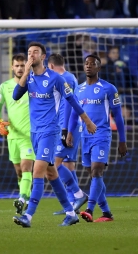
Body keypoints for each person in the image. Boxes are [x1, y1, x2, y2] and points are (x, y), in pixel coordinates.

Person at [12, 42, 97, 227]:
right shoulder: (30, 78)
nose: (31, 55)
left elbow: (72, 100)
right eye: (29, 52)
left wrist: (88, 121)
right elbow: (15, 96)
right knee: (52, 174)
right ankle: (70, 212)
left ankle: (28, 216)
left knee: (38, 171)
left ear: (43, 57)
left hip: (49, 132)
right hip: (34, 133)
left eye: (35, 52)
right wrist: (25, 72)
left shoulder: (55, 78)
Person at [67, 54, 127, 223]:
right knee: (94, 177)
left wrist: (122, 140)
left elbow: (118, 117)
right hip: (84, 136)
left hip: (101, 135)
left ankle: (89, 209)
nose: (88, 66)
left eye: (92, 64)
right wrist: (70, 132)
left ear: (99, 68)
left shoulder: (109, 89)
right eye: (86, 63)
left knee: (97, 170)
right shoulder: (78, 89)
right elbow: (74, 113)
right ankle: (107, 213)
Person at [0, 54, 35, 215]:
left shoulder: (33, 84)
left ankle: (22, 198)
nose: (19, 68)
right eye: (16, 65)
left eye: (22, 65)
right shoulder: (5, 86)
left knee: (26, 168)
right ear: (12, 67)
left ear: (27, 66)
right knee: (19, 171)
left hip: (29, 136)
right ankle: (27, 196)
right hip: (12, 135)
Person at [47, 53, 87, 216]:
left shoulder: (65, 79)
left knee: (53, 165)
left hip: (68, 127)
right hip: (71, 127)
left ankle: (78, 195)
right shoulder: (69, 77)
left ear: (50, 66)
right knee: (69, 165)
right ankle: (72, 205)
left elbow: (70, 107)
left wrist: (65, 130)